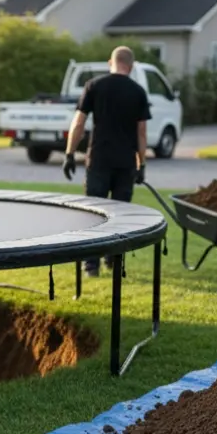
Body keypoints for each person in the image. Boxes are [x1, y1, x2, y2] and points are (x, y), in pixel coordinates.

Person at [62, 46, 152, 276]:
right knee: (121, 215)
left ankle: (90, 265)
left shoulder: (94, 86)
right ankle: (114, 261)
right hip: (125, 163)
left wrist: (70, 154)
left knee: (94, 211)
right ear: (130, 67)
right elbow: (142, 133)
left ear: (109, 62)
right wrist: (141, 164)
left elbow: (79, 122)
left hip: (99, 159)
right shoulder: (138, 91)